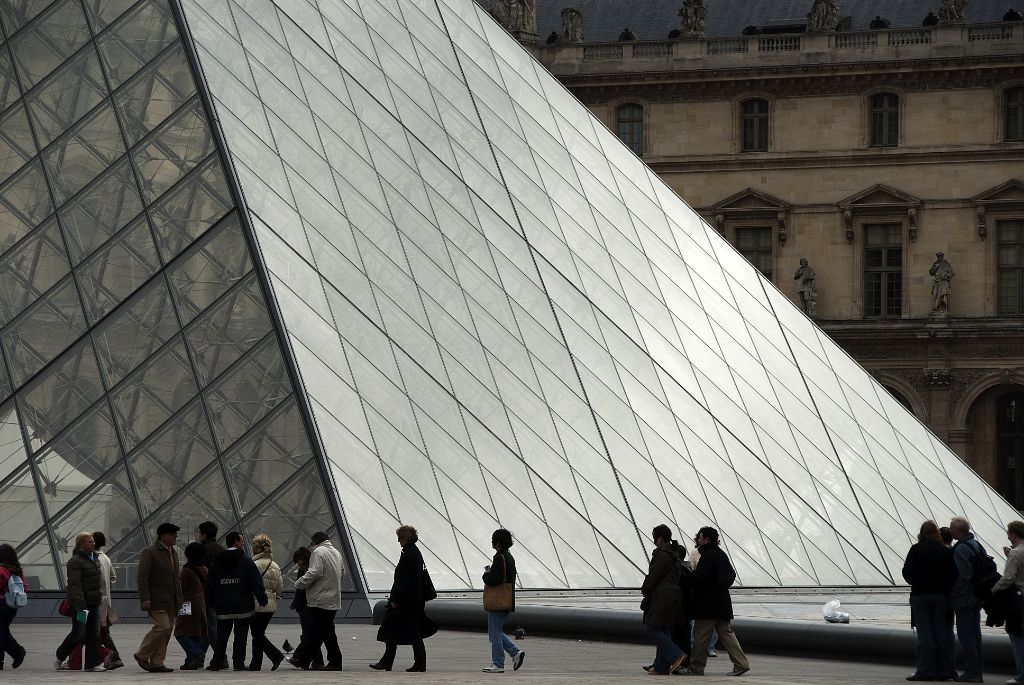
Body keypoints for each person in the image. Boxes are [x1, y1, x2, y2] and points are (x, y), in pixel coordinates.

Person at [679, 527, 750, 677]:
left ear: (706, 539)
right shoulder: (721, 554)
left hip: (707, 605)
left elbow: (700, 578)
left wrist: (689, 574)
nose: (698, 540)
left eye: (700, 537)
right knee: (727, 634)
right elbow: (729, 576)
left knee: (701, 636)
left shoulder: (708, 556)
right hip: (722, 603)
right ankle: (741, 664)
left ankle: (696, 667)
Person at [371, 525, 436, 672]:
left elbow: (402, 581)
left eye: (400, 538)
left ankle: (417, 663)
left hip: (406, 603)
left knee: (408, 632)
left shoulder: (408, 555)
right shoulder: (416, 553)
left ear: (406, 539)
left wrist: (395, 599)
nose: (398, 541)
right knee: (398, 631)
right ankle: (391, 662)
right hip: (414, 601)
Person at [902, 520, 958, 681]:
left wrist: (917, 581)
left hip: (921, 595)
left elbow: (907, 572)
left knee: (925, 634)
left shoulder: (916, 549)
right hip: (941, 596)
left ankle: (925, 670)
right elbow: (953, 575)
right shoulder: (945, 551)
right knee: (941, 633)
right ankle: (945, 670)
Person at [205, 531, 267, 671]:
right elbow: (255, 581)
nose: (243, 543)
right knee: (241, 636)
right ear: (236, 542)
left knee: (222, 635)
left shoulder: (218, 560)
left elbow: (210, 583)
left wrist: (210, 601)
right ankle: (238, 663)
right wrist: (262, 598)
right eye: (241, 540)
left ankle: (216, 662)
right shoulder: (246, 560)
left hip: (223, 605)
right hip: (243, 605)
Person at [292, 531, 344, 671]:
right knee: (323, 631)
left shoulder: (318, 552)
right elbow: (342, 572)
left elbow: (314, 572)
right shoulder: (337, 553)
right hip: (334, 598)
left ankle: (333, 662)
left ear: (315, 542)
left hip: (319, 599)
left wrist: (299, 583)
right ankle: (307, 660)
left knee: (321, 631)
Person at [135, 522, 182, 673]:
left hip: (171, 600)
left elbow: (176, 578)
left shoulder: (172, 552)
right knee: (163, 627)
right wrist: (145, 598)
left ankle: (157, 662)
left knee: (167, 632)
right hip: (156, 599)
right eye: (173, 534)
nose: (176, 536)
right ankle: (142, 654)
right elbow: (143, 577)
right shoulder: (150, 552)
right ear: (163, 535)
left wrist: (179, 599)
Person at [642, 524, 687, 675]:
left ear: (659, 538)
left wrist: (646, 589)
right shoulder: (674, 553)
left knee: (651, 626)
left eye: (654, 537)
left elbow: (654, 575)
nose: (654, 540)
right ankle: (661, 667)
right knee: (664, 629)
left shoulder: (662, 554)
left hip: (662, 596)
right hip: (673, 595)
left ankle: (676, 655)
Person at [56, 532, 103, 672]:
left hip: (94, 602)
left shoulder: (95, 558)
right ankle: (60, 656)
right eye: (89, 542)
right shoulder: (75, 561)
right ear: (81, 544)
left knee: (94, 633)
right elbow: (74, 584)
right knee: (78, 633)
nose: (93, 544)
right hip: (81, 604)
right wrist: (79, 603)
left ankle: (91, 664)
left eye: (93, 541)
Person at [482, 528, 525, 674]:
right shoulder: (509, 557)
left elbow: (494, 580)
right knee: (496, 632)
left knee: (494, 635)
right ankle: (515, 653)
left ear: (498, 543)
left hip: (497, 601)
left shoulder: (499, 558)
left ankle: (498, 663)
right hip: (507, 600)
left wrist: (486, 575)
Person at [950, 516, 985, 682]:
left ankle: (972, 672)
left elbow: (964, 575)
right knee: (976, 635)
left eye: (952, 528)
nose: (950, 531)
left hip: (965, 599)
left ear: (959, 530)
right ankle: (977, 672)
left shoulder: (961, 548)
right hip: (977, 597)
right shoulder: (977, 545)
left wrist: (954, 593)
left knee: (966, 636)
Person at [993, 521, 1024, 685]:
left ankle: (1021, 675)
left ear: (1014, 534)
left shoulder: (1015, 553)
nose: (1007, 536)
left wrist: (994, 589)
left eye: (1009, 533)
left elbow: (1009, 578)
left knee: (1018, 637)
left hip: (1019, 600)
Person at [249, 534, 284, 671]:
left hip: (256, 603)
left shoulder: (253, 565)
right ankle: (255, 663)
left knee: (256, 634)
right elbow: (279, 588)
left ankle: (275, 655)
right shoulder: (275, 565)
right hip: (271, 605)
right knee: (258, 633)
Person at [174, 542, 209, 670]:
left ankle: (196, 653)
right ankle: (190, 661)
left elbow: (180, 589)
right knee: (195, 632)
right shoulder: (204, 569)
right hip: (201, 604)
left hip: (187, 604)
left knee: (180, 632)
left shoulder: (187, 570)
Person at [287, 547, 323, 670]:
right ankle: (316, 661)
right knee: (311, 633)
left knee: (308, 634)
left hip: (305, 605)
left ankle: (299, 657)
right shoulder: (314, 567)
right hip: (315, 604)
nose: (298, 564)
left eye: (297, 561)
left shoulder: (303, 570)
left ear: (301, 559)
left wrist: (296, 604)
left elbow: (300, 590)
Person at [92, 532, 123, 670]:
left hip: (96, 600)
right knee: (102, 632)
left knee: (97, 632)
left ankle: (113, 657)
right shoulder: (106, 557)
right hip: (106, 599)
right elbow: (113, 577)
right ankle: (111, 658)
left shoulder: (93, 558)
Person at [197, 521, 225, 668]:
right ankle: (199, 657)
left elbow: (202, 573)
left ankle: (221, 658)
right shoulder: (221, 549)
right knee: (209, 627)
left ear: (204, 534)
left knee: (210, 627)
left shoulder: (204, 550)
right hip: (221, 593)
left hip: (208, 593)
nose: (198, 536)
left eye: (199, 533)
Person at [0, 544, 27, 670]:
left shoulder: (2, 570)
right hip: (12, 605)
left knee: (1, 631)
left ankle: (15, 653)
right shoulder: (17, 570)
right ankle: (17, 652)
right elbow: (25, 588)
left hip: (1, 603)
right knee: (3, 630)